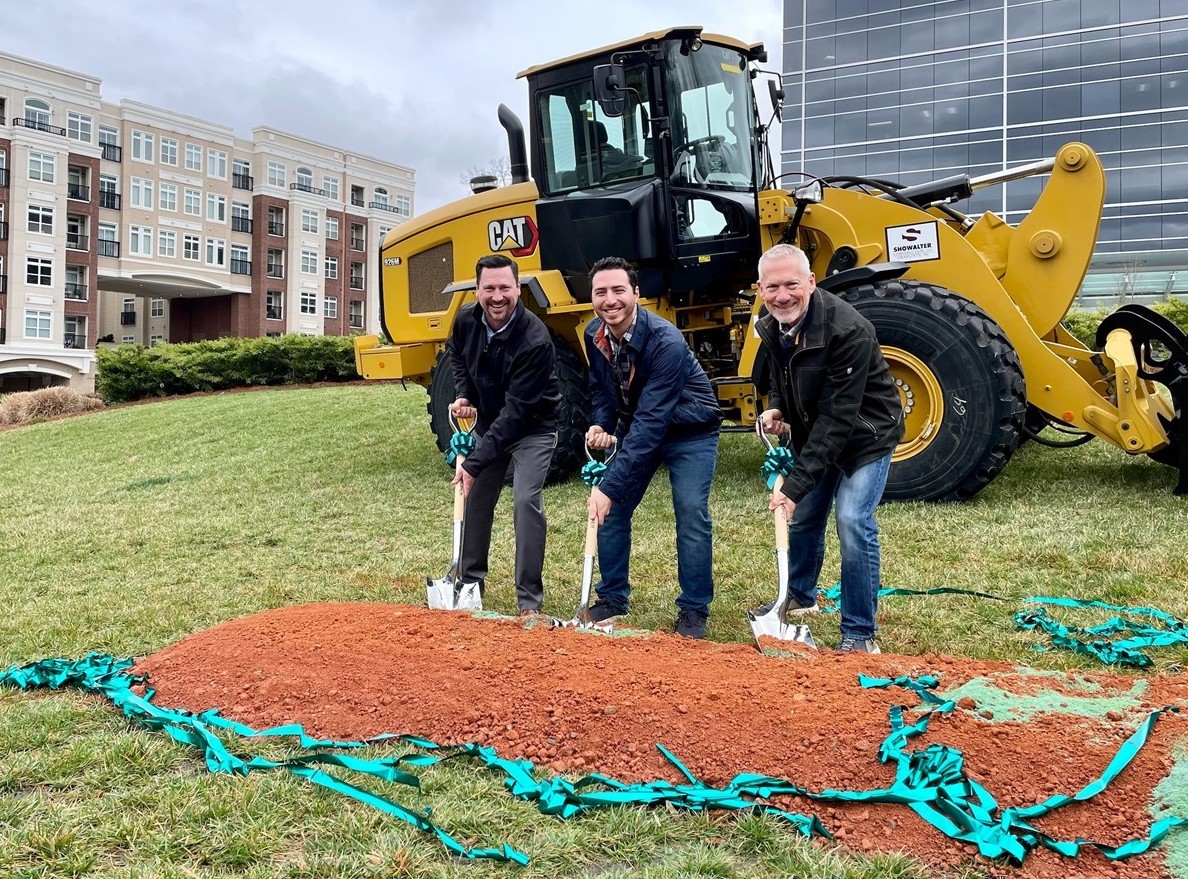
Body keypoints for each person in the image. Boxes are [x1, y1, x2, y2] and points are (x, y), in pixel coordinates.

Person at [754, 243, 904, 653]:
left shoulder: (847, 330)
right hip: (818, 429)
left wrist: (795, 486)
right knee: (803, 519)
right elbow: (783, 374)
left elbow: (838, 419)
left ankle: (859, 633)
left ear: (811, 282)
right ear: (760, 289)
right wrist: (778, 407)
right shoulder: (770, 323)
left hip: (864, 436)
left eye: (791, 285)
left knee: (853, 521)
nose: (782, 295)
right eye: (772, 287)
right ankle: (799, 597)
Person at [583, 256, 722, 639]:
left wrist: (610, 486)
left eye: (618, 291)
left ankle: (694, 610)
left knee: (691, 512)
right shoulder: (593, 334)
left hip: (690, 430)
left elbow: (651, 422)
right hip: (642, 425)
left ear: (636, 294)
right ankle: (612, 598)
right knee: (611, 512)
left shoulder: (666, 341)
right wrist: (602, 423)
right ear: (591, 297)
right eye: (601, 292)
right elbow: (603, 390)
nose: (610, 300)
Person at [447, 253, 560, 616]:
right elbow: (456, 355)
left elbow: (517, 413)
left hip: (533, 427)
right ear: (477, 290)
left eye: (505, 288)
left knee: (525, 501)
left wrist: (475, 462)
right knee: (476, 496)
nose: (498, 297)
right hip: (492, 423)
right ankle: (469, 584)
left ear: (518, 288)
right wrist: (464, 392)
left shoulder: (536, 340)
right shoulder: (465, 320)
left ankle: (529, 601)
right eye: (489, 288)